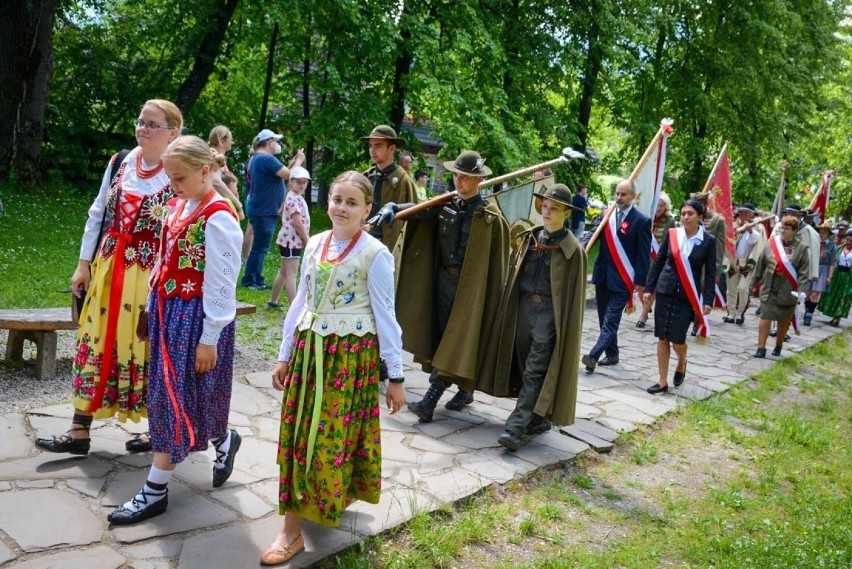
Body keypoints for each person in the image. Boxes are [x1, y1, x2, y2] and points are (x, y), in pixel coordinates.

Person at [260, 171, 405, 566]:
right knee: (301, 435)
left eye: (351, 202)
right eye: (337, 199)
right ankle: (293, 525)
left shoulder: (374, 255)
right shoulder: (316, 244)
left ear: (367, 209)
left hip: (347, 361)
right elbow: (300, 303)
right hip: (310, 355)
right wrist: (284, 354)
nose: (341, 207)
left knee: (330, 438)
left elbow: (386, 317)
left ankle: (299, 525)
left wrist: (396, 376)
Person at [106, 135, 243, 524]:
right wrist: (152, 307)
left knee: (173, 399)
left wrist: (210, 337)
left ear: (205, 171)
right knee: (182, 396)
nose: (172, 185)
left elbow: (222, 282)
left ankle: (155, 490)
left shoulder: (218, 216)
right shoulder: (180, 204)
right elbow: (163, 260)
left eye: (179, 178)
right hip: (171, 313)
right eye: (169, 177)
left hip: (198, 319)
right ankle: (224, 439)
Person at [35, 99, 182, 457]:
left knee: (145, 347)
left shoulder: (179, 170)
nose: (143, 129)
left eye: (152, 124)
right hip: (108, 265)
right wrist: (83, 263)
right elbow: (98, 210)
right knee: (95, 340)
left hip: (150, 274)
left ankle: (155, 430)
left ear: (173, 133)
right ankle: (78, 431)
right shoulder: (120, 162)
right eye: (140, 121)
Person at [375, 150, 510, 423]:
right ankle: (465, 389)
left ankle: (429, 401)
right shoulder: (447, 204)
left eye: (466, 177)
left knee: (458, 338)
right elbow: (418, 212)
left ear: (479, 179)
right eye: (457, 175)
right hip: (443, 282)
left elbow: (496, 260)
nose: (459, 181)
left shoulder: (489, 217)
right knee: (443, 337)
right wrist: (393, 209)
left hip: (470, 288)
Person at [476, 184, 586, 451]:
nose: (547, 213)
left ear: (566, 214)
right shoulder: (530, 238)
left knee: (536, 370)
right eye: (545, 207)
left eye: (554, 209)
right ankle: (537, 419)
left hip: (549, 314)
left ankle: (515, 428)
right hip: (522, 311)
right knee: (525, 366)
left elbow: (572, 299)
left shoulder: (572, 251)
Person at [643, 200, 716, 394]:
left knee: (677, 340)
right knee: (662, 337)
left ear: (700, 217)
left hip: (687, 296)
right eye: (683, 213)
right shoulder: (672, 234)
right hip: (666, 290)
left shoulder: (708, 241)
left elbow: (710, 273)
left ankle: (682, 360)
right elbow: (658, 262)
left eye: (690, 214)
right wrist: (649, 288)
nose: (685, 217)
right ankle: (661, 381)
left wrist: (708, 300)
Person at [581, 180, 652, 372]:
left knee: (611, 320)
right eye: (617, 194)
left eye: (624, 194)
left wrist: (640, 281)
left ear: (633, 197)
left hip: (623, 279)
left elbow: (643, 254)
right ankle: (612, 354)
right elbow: (592, 234)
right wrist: (581, 249)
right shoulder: (607, 214)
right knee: (604, 318)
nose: (619, 198)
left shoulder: (642, 221)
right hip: (603, 275)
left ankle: (593, 356)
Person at [241, 129, 305, 290]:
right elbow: (290, 175)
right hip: (264, 209)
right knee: (260, 247)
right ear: (269, 142)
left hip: (262, 208)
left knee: (260, 245)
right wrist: (299, 160)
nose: (277, 144)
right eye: (276, 141)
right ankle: (250, 280)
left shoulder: (259, 158)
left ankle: (257, 277)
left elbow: (280, 173)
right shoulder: (266, 159)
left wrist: (293, 162)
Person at [752, 215, 810, 358]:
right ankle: (761, 348)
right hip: (769, 285)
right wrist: (754, 281)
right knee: (765, 317)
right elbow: (761, 263)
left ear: (795, 230)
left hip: (788, 288)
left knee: (783, 319)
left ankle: (778, 345)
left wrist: (801, 291)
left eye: (787, 228)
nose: (783, 231)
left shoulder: (801, 248)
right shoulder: (772, 243)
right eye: (782, 228)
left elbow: (804, 272)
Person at [361, 125, 419, 250]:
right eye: (370, 146)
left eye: (378, 146)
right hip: (363, 241)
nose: (372, 150)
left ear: (392, 148)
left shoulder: (404, 181)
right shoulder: (366, 177)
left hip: (388, 246)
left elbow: (415, 216)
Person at [268, 166, 311, 309]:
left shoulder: (294, 196)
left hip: (288, 240)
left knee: (284, 272)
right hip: (292, 241)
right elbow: (297, 223)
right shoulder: (294, 199)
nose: (302, 185)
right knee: (292, 275)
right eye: (299, 182)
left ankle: (273, 301)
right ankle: (295, 308)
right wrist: (307, 239)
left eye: (304, 182)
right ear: (291, 182)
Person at [636, 191, 676, 328]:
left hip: (659, 259)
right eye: (657, 206)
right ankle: (646, 308)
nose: (659, 209)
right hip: (644, 257)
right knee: (640, 287)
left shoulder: (670, 220)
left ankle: (643, 316)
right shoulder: (647, 218)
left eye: (662, 206)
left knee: (651, 288)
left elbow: (672, 241)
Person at [723, 202, 761, 324]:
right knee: (731, 289)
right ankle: (731, 313)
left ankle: (740, 313)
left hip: (747, 263)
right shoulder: (733, 226)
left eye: (746, 212)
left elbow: (755, 241)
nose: (743, 214)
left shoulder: (757, 227)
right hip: (734, 262)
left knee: (743, 288)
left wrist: (749, 230)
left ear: (752, 215)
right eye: (741, 212)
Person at [208, 125, 244, 220]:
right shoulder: (215, 157)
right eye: (231, 139)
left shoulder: (215, 156)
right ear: (221, 140)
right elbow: (215, 181)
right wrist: (237, 203)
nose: (232, 142)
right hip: (213, 207)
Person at [804, 224, 837, 325]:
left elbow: (832, 263)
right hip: (812, 268)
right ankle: (807, 310)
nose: (822, 234)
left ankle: (809, 315)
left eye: (824, 232)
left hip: (823, 270)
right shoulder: (814, 242)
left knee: (815, 294)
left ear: (828, 234)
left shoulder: (831, 246)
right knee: (807, 294)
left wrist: (829, 276)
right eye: (820, 232)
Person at [818, 231, 851, 327]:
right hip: (837, 274)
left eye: (851, 241)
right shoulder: (839, 248)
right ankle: (833, 314)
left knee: (843, 295)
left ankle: (838, 317)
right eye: (847, 239)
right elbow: (832, 261)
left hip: (848, 276)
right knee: (833, 293)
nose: (848, 242)